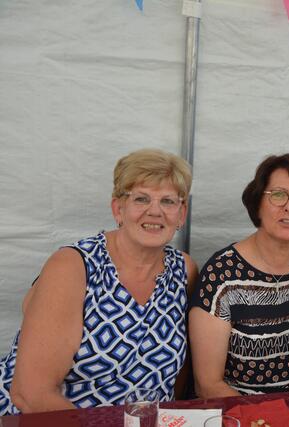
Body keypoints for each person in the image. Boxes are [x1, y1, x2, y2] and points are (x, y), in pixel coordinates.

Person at [0, 148, 198, 415]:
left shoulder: (184, 270)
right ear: (118, 208)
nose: (155, 211)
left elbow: (179, 376)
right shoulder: (74, 266)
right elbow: (30, 394)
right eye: (141, 199)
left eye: (168, 201)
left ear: (181, 214)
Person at [190, 153, 289, 397]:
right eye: (279, 195)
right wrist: (267, 416)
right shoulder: (222, 275)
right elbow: (208, 385)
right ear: (257, 203)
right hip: (242, 408)